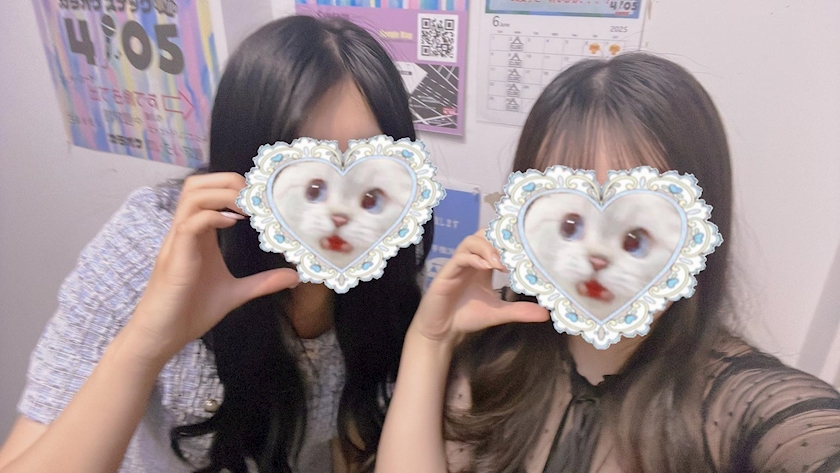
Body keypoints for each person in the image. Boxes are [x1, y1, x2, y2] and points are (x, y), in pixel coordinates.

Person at [0, 15, 432, 473]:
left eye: (366, 168)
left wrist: (433, 342)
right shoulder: (152, 245)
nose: (342, 208)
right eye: (308, 175)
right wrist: (148, 341)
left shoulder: (385, 258)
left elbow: (358, 430)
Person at [376, 53, 840, 472]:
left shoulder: (745, 405)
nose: (596, 255)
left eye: (635, 233)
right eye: (570, 222)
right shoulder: (489, 351)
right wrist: (430, 340)